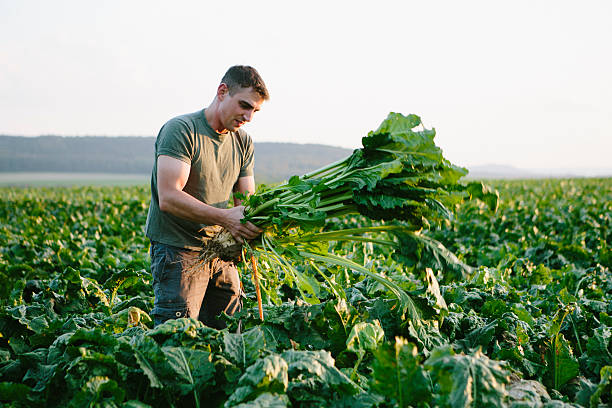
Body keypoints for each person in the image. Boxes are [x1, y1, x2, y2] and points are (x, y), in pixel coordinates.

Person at [144, 65, 269, 329]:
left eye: (254, 111)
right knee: (177, 339)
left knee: (229, 332)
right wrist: (227, 219)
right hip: (178, 252)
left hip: (220, 251)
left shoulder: (243, 142)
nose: (248, 116)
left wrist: (255, 224)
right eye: (244, 105)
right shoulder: (182, 130)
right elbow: (168, 196)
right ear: (222, 92)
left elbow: (246, 203)